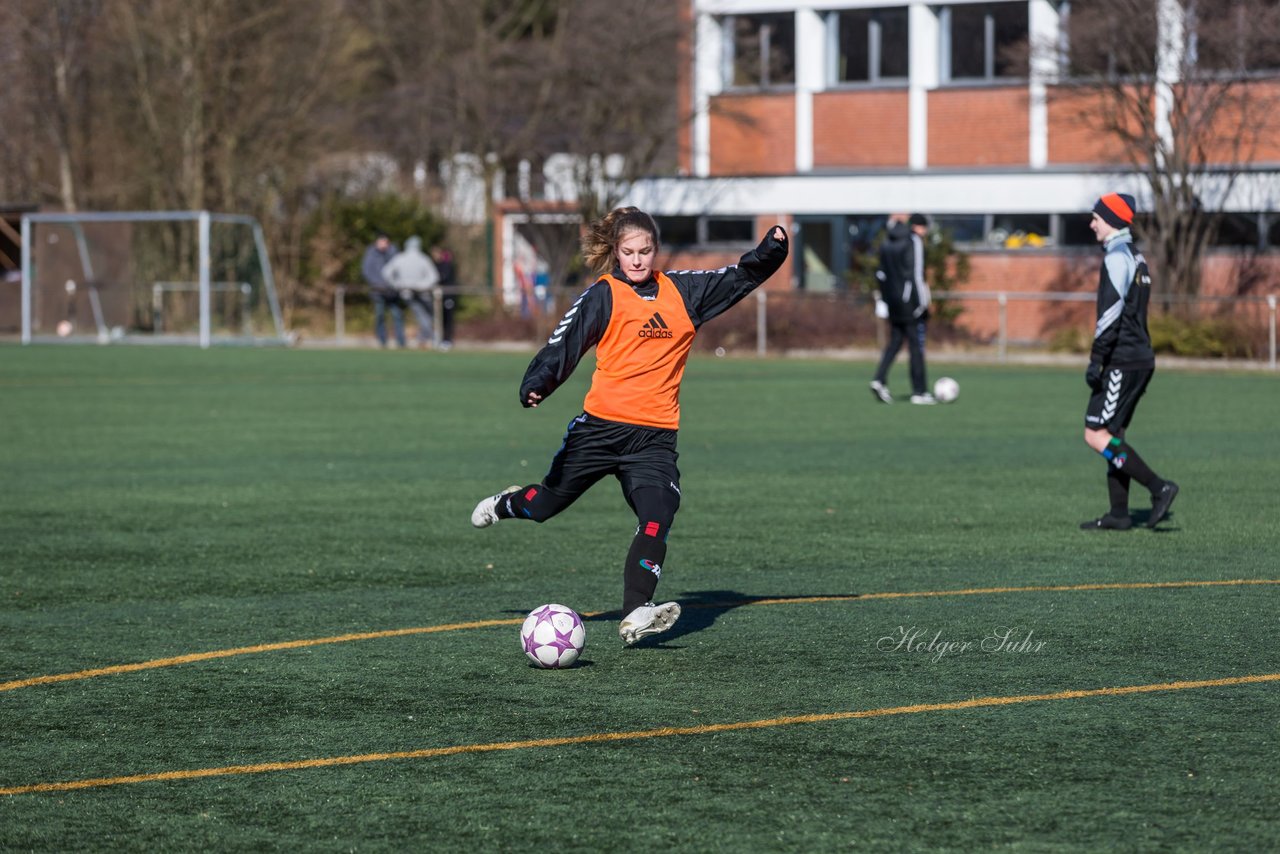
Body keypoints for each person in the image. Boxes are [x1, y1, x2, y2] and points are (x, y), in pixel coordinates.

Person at [470, 207, 789, 645]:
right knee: (544, 506)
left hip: (654, 438)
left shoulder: (683, 292)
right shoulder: (604, 294)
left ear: (654, 250)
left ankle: (637, 610)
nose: (637, 260)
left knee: (658, 514)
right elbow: (566, 341)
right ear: (616, 254)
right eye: (628, 252)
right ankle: (507, 503)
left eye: (644, 251)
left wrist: (770, 251)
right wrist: (539, 382)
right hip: (599, 430)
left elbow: (736, 278)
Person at [1080, 192, 1179, 531]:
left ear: (1111, 220)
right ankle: (1119, 514)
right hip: (1139, 358)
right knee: (1113, 434)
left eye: (1096, 217)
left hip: (1124, 359)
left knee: (1095, 434)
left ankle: (1158, 487)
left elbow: (1110, 314)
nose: (1092, 223)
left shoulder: (1117, 257)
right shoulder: (1135, 256)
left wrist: (1097, 359)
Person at [869, 213, 934, 404]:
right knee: (916, 345)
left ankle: (879, 379)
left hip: (892, 301)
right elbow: (916, 274)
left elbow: (881, 274)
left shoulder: (887, 241)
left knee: (896, 341)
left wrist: (884, 300)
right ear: (919, 227)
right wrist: (923, 303)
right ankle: (919, 391)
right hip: (910, 302)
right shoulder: (914, 241)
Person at [382, 236, 440, 348]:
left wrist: (398, 284)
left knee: (425, 316)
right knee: (423, 316)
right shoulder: (423, 258)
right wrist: (421, 285)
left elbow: (386, 273)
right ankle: (432, 338)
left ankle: (425, 338)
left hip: (412, 292)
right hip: (419, 292)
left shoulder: (400, 258)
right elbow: (433, 277)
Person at [362, 233, 405, 348]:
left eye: (385, 242)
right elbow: (366, 271)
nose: (383, 245)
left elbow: (399, 270)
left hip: (392, 291)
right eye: (381, 242)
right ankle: (382, 340)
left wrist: (393, 284)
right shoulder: (371, 253)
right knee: (380, 315)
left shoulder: (394, 253)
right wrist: (378, 283)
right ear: (376, 242)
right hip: (378, 290)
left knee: (397, 315)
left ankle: (401, 341)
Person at [430, 244, 458, 350]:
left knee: (448, 319)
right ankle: (439, 339)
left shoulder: (446, 265)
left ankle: (447, 340)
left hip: (448, 296)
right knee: (439, 319)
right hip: (440, 297)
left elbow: (442, 278)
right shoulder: (436, 265)